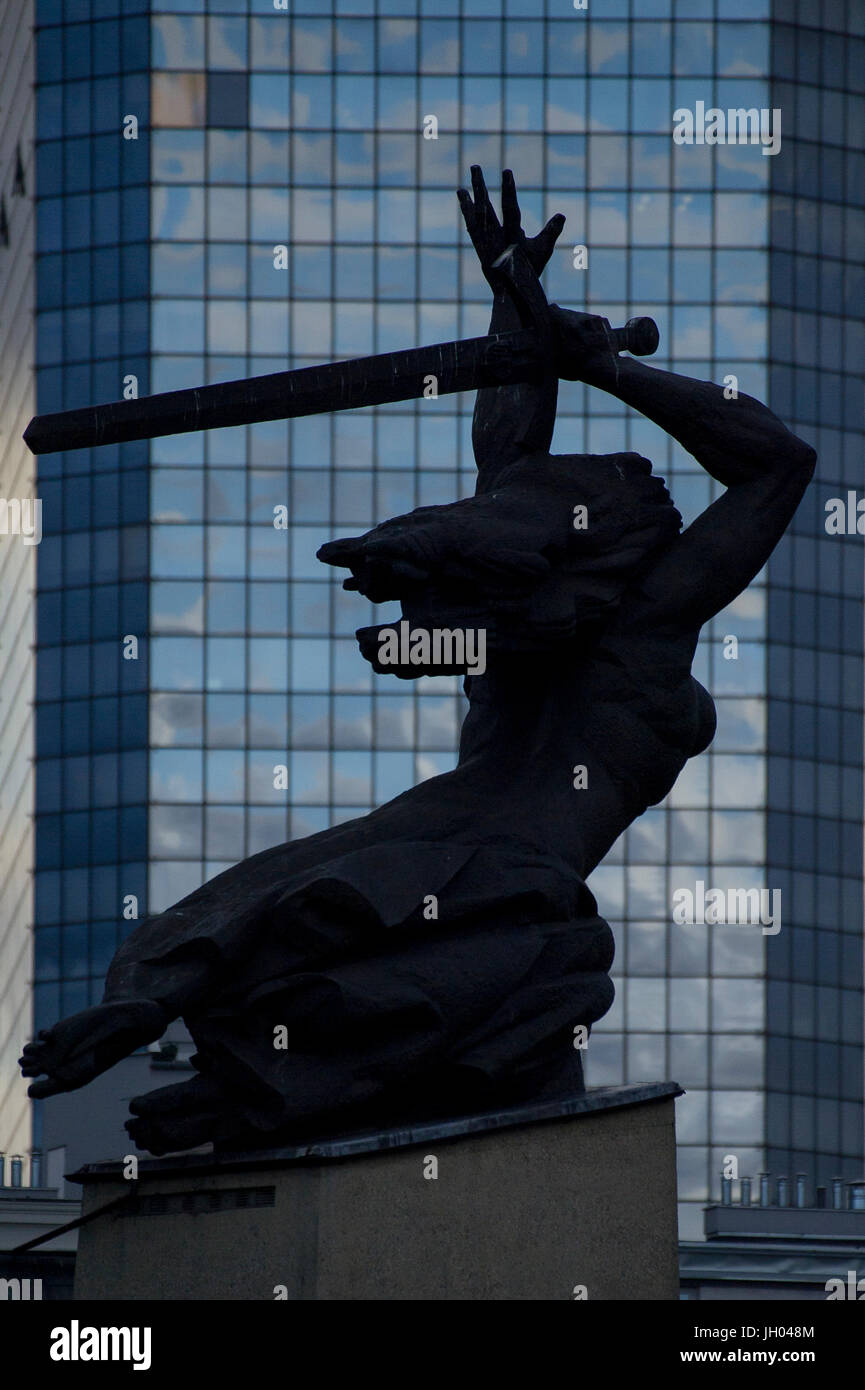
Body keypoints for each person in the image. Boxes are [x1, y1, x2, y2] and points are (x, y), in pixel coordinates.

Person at [20, 170, 816, 1155]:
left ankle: (236, 1073)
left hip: (440, 854)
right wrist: (544, 335)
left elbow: (759, 464)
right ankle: (229, 1066)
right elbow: (766, 465)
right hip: (490, 870)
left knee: (270, 925)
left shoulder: (586, 629)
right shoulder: (632, 635)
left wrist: (569, 351)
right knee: (334, 940)